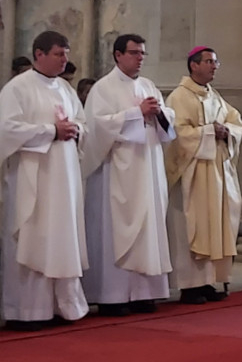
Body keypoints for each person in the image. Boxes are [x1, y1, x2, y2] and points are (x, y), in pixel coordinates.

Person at [80, 34, 176, 316]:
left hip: (148, 167)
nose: (140, 58)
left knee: (148, 227)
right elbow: (97, 127)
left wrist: (159, 113)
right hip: (117, 171)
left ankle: (145, 293)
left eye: (143, 53)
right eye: (134, 53)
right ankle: (114, 296)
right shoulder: (103, 88)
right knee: (117, 230)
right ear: (118, 55)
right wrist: (136, 113)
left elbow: (167, 122)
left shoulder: (148, 85)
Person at [0, 31, 88, 330]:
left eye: (66, 54)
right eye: (59, 54)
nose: (65, 60)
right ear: (39, 54)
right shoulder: (17, 88)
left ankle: (61, 306)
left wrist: (76, 130)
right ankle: (26, 311)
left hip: (63, 179)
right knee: (32, 236)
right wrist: (51, 131)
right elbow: (6, 130)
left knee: (60, 237)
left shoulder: (65, 88)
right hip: (31, 180)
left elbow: (82, 123)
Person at [165, 46, 242, 305]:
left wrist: (226, 131)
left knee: (215, 225)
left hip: (217, 173)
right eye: (209, 61)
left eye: (215, 62)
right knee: (192, 226)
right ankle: (189, 286)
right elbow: (177, 134)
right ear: (194, 65)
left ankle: (208, 281)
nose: (214, 66)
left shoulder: (214, 96)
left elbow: (235, 121)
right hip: (192, 174)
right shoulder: (179, 97)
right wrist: (210, 132)